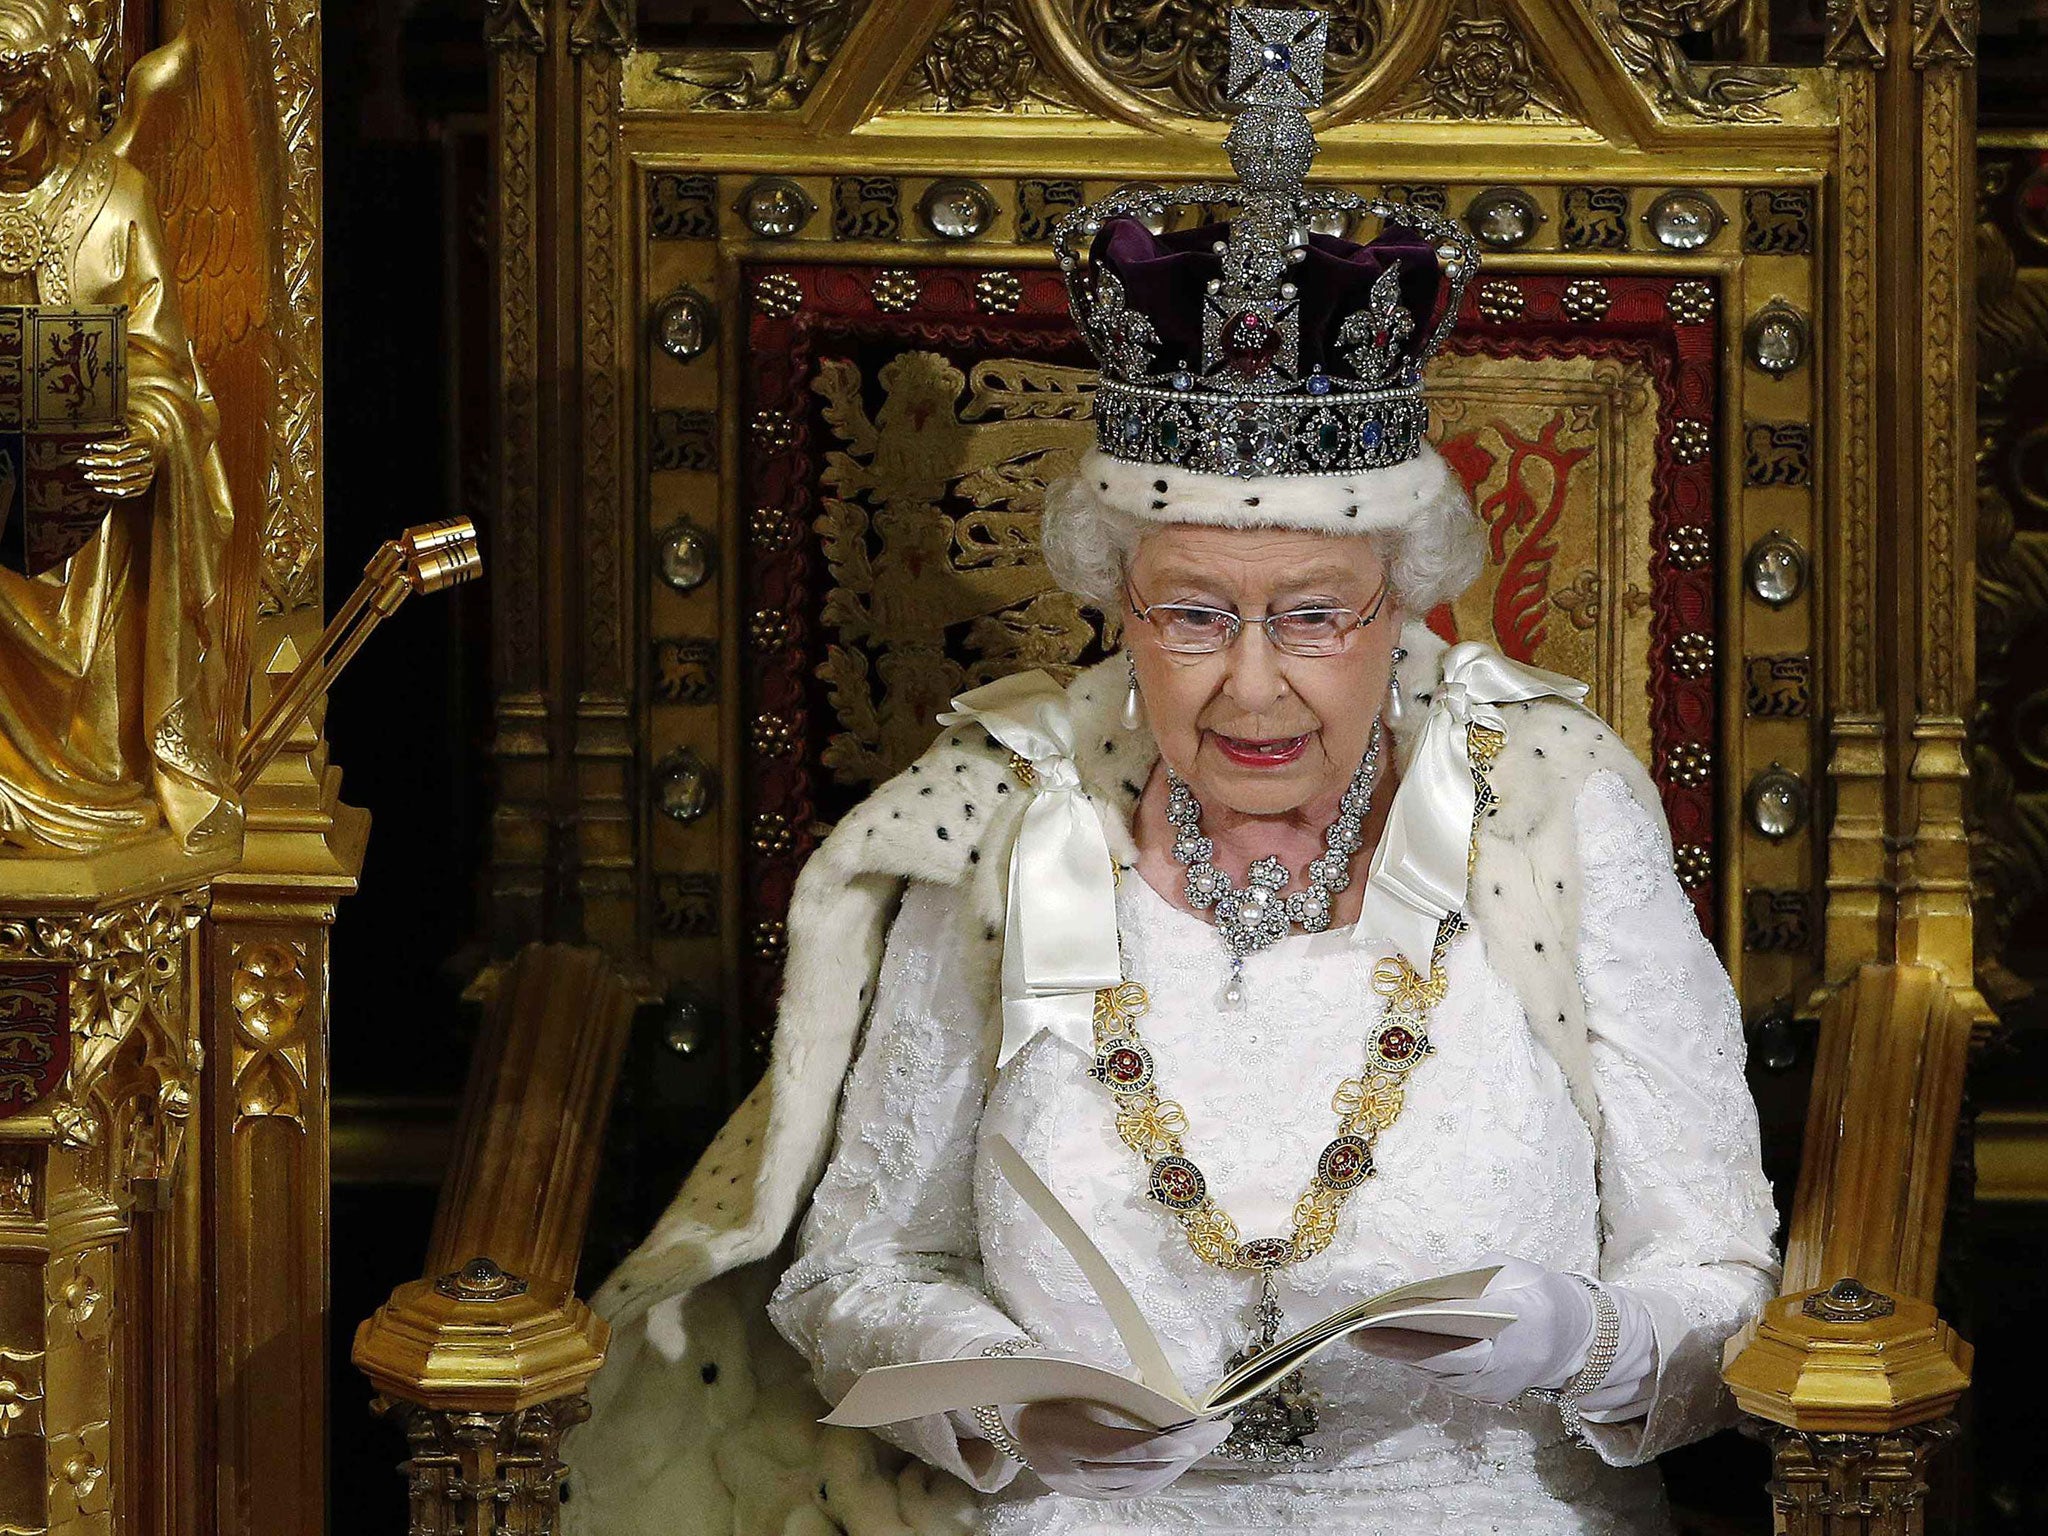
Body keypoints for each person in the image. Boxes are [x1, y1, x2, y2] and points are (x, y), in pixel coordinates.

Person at [564, 11, 1776, 1534]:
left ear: (1405, 602)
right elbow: (859, 1269)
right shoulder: (1016, 814)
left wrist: (1583, 1342)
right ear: (1115, 603)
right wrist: (1008, 1396)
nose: (1251, 681)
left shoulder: (1552, 801)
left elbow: (1722, 1281)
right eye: (1192, 613)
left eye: (1316, 616)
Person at [0, 0, 238, 854]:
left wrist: (144, 436)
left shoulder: (117, 200)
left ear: (54, 86)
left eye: (15, 98)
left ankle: (97, 773)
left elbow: (162, 365)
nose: (2, 126)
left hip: (87, 522)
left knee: (93, 512)